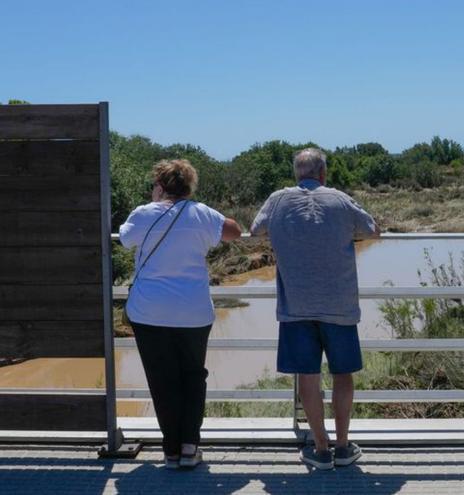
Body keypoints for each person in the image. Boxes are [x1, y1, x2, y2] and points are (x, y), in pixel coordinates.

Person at [251, 148, 380, 470]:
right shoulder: (340, 198)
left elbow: (255, 230)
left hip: (296, 306)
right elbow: (372, 230)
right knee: (342, 375)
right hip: (340, 305)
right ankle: (343, 445)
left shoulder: (278, 199)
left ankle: (320, 449)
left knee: (307, 377)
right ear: (323, 173)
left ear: (297, 173)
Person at [120, 159, 242, 469]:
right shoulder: (200, 213)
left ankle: (171, 450)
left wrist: (153, 204)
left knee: (162, 381)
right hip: (193, 314)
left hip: (149, 313)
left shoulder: (144, 213)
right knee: (192, 377)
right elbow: (234, 231)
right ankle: (190, 447)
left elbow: (124, 238)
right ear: (189, 187)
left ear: (159, 186)